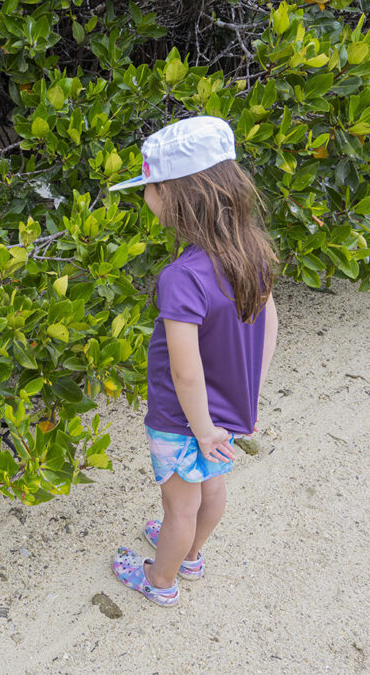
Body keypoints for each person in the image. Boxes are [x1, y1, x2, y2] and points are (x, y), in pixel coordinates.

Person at [108, 115, 279, 607]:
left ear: (176, 196)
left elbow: (184, 370)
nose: (146, 197)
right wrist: (250, 390)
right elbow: (270, 325)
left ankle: (159, 580)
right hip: (228, 409)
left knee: (179, 504)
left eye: (149, 187)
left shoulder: (181, 276)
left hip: (184, 419)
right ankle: (192, 555)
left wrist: (201, 428)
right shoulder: (253, 251)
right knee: (213, 487)